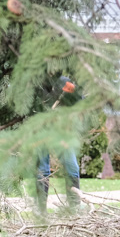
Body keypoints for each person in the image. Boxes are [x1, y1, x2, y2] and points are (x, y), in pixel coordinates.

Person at [35, 76, 82, 215]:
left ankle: (75, 209)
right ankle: (41, 211)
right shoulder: (41, 84)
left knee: (72, 166)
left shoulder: (65, 82)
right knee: (42, 169)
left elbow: (81, 101)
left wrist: (72, 91)